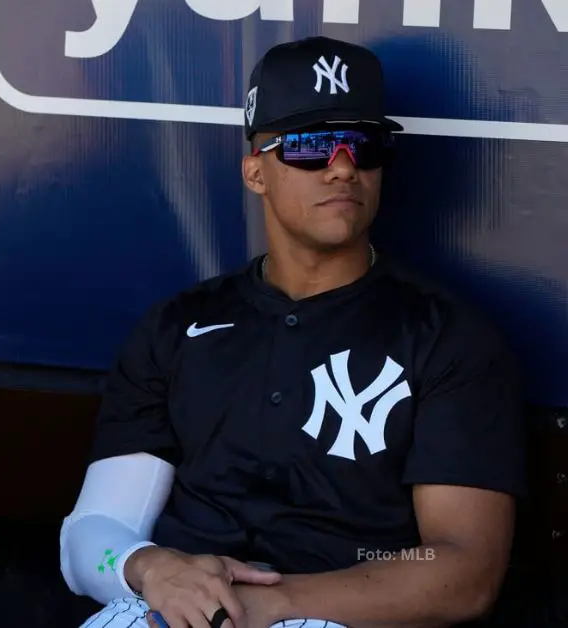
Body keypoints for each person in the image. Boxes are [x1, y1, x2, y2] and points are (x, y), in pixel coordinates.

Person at [59, 36, 526, 628]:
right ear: (256, 171)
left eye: (364, 145)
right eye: (310, 146)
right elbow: (91, 537)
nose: (342, 167)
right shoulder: (176, 328)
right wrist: (150, 569)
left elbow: (464, 572)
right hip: (180, 610)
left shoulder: (447, 337)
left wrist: (272, 604)